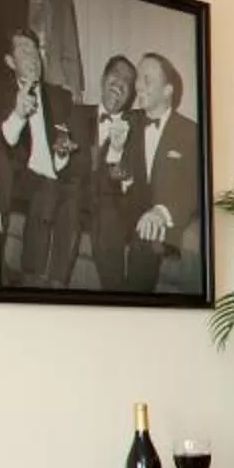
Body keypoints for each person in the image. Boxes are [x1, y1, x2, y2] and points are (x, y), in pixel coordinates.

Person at [0, 29, 78, 287]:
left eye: (35, 51)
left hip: (56, 177)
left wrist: (63, 154)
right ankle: (32, 279)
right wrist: (19, 114)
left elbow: (69, 155)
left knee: (70, 197)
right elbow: (2, 144)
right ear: (11, 62)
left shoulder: (61, 97)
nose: (33, 58)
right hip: (23, 179)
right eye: (24, 51)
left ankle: (58, 285)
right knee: (47, 190)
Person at [121, 51, 203, 295]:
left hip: (171, 220)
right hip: (130, 214)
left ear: (168, 90)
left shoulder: (191, 132)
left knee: (147, 238)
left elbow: (196, 186)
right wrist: (115, 152)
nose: (137, 86)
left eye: (147, 79)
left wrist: (162, 211)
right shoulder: (127, 123)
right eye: (138, 78)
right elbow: (111, 174)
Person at [86, 53, 139, 292]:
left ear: (131, 96)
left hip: (112, 205)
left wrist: (116, 152)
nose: (120, 83)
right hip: (77, 201)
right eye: (115, 76)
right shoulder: (74, 114)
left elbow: (128, 178)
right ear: (102, 79)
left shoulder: (137, 128)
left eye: (127, 81)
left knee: (108, 216)